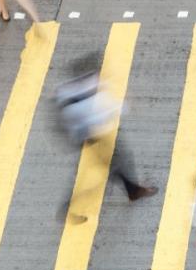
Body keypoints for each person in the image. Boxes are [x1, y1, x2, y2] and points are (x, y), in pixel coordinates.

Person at [56, 63, 156, 216]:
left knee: (117, 161)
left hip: (87, 134)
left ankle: (133, 190)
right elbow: (104, 109)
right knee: (111, 165)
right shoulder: (90, 88)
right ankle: (68, 207)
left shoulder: (68, 90)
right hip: (95, 134)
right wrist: (124, 105)